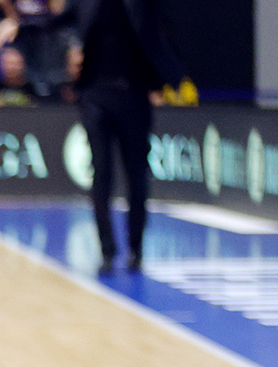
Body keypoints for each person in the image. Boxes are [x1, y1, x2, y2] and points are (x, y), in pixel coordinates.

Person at [75, 0, 180, 274]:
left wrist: (168, 79)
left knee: (137, 175)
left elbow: (159, 33)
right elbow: (61, 21)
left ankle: (136, 248)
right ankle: (107, 251)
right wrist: (19, 25)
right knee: (101, 172)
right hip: (95, 95)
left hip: (133, 94)